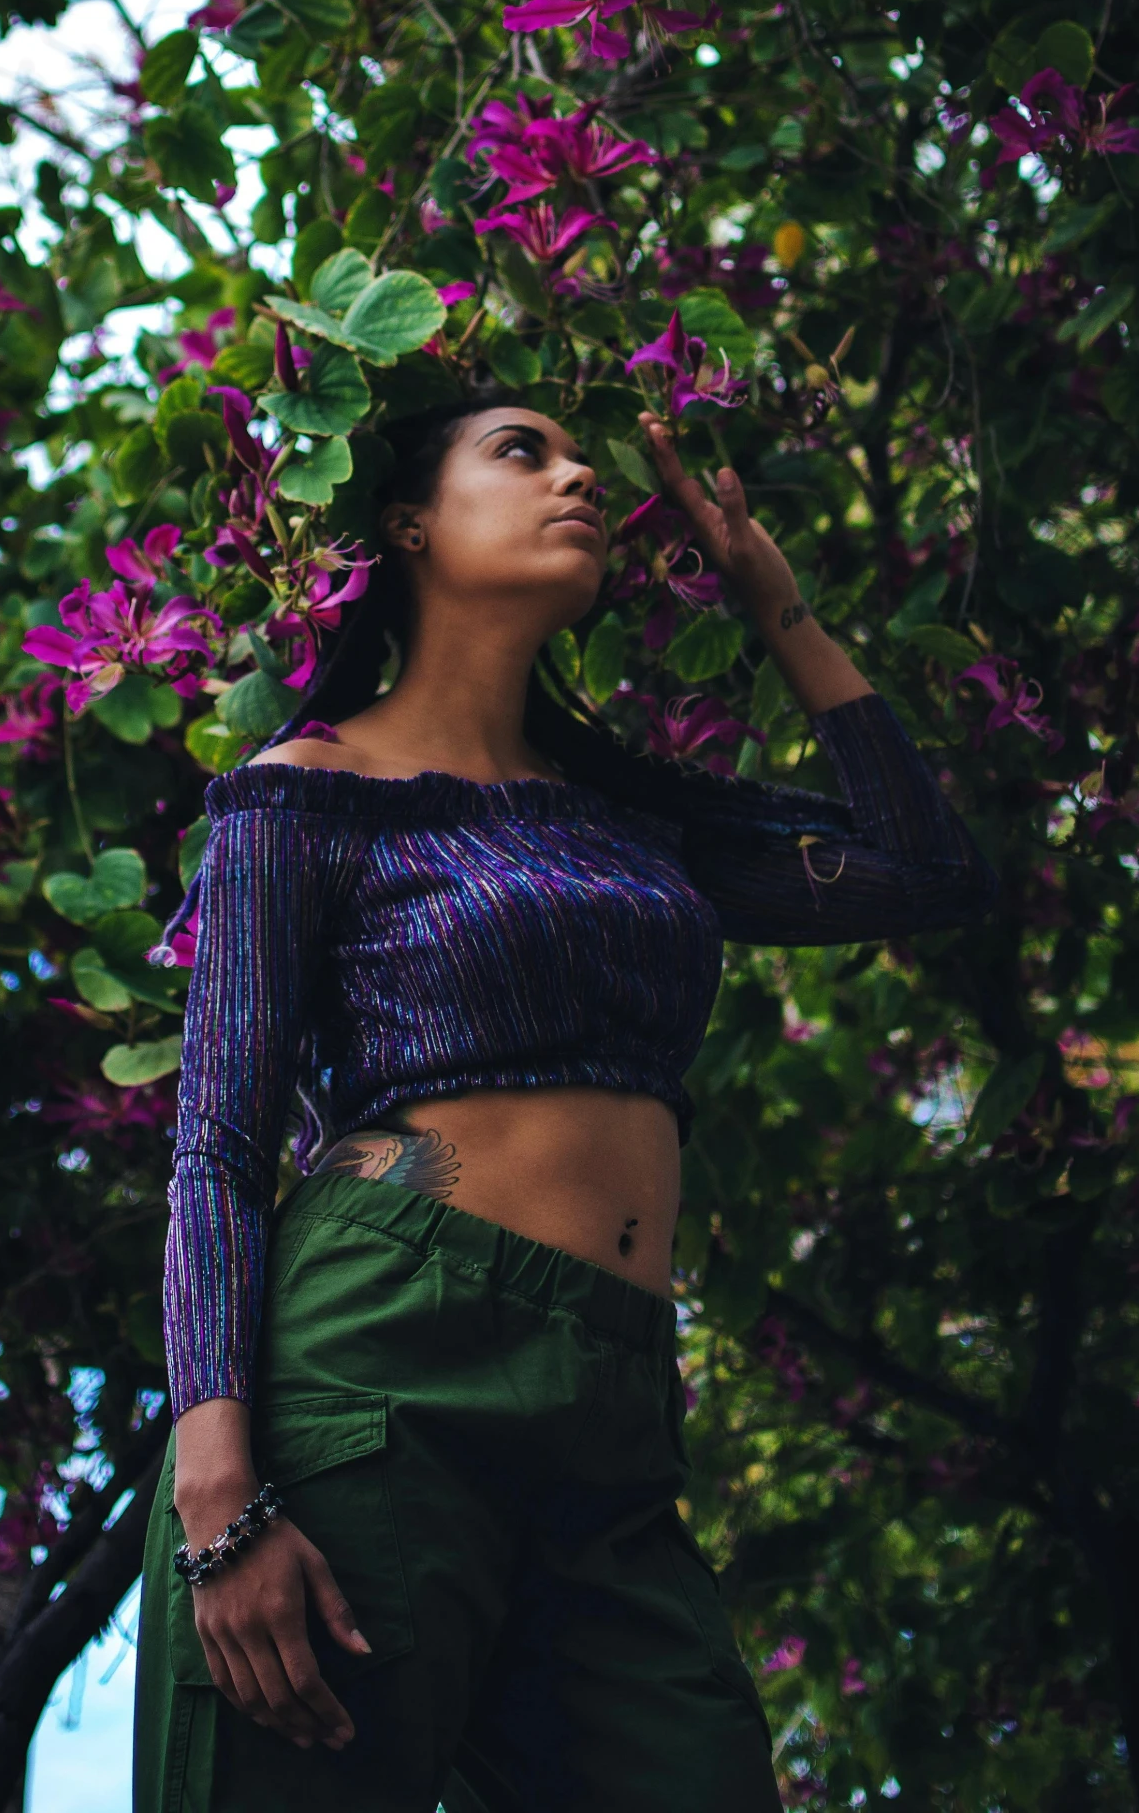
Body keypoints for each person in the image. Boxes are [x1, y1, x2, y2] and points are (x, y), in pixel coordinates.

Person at [134, 392, 995, 1813]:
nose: (577, 471)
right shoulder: (303, 794)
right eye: (521, 450)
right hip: (379, 1362)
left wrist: (772, 599)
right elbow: (219, 1144)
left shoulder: (625, 822)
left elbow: (923, 870)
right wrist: (218, 1494)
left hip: (609, 1406)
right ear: (410, 521)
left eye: (571, 452)